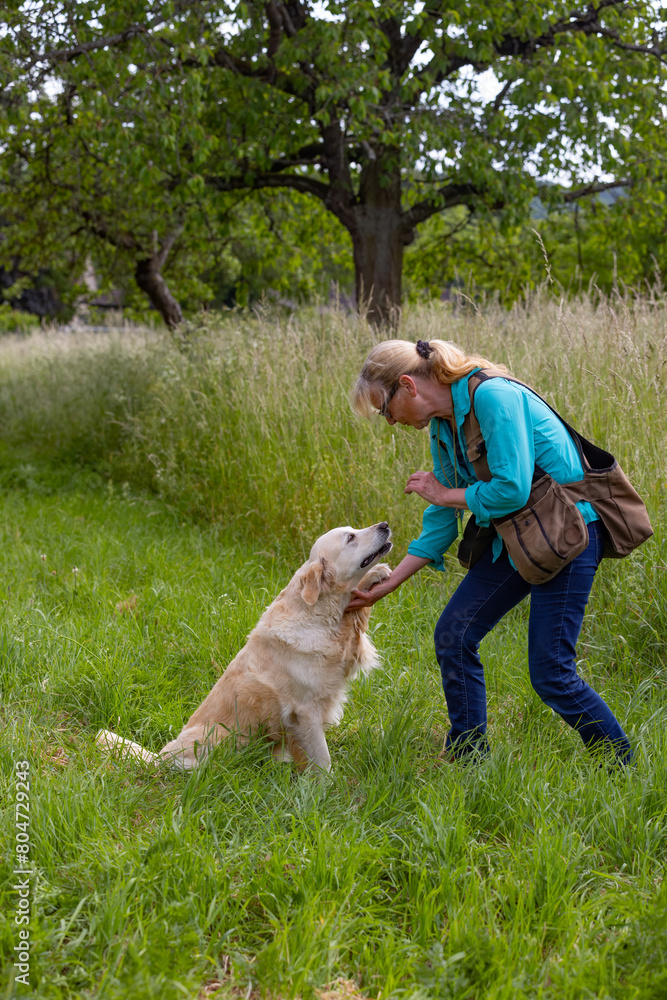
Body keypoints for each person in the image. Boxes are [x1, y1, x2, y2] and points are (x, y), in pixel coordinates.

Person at [347, 338, 633, 764]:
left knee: (551, 671)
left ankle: (619, 762)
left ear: (407, 385)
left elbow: (512, 489)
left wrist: (447, 494)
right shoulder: (444, 428)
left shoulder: (494, 395)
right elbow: (442, 519)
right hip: (518, 534)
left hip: (568, 531)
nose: (388, 422)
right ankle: (469, 757)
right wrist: (384, 586)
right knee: (454, 634)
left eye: (384, 409)